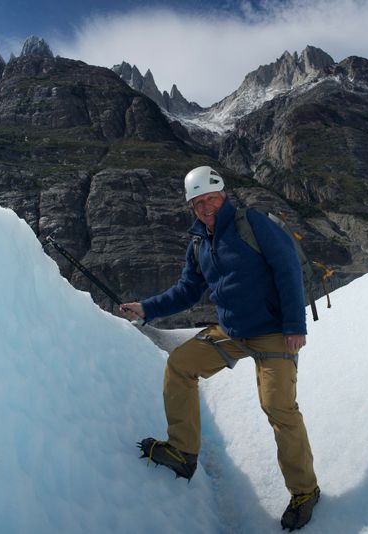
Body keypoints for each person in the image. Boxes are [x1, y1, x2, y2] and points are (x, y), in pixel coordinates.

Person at [120, 166, 320, 531]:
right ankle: (182, 451)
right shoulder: (199, 243)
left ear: (223, 195)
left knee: (278, 406)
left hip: (274, 331)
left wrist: (294, 325)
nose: (206, 207)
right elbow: (186, 291)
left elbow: (287, 268)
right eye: (198, 203)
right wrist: (147, 308)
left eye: (211, 198)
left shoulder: (252, 223)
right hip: (232, 331)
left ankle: (305, 491)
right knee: (180, 365)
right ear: (191, 206)